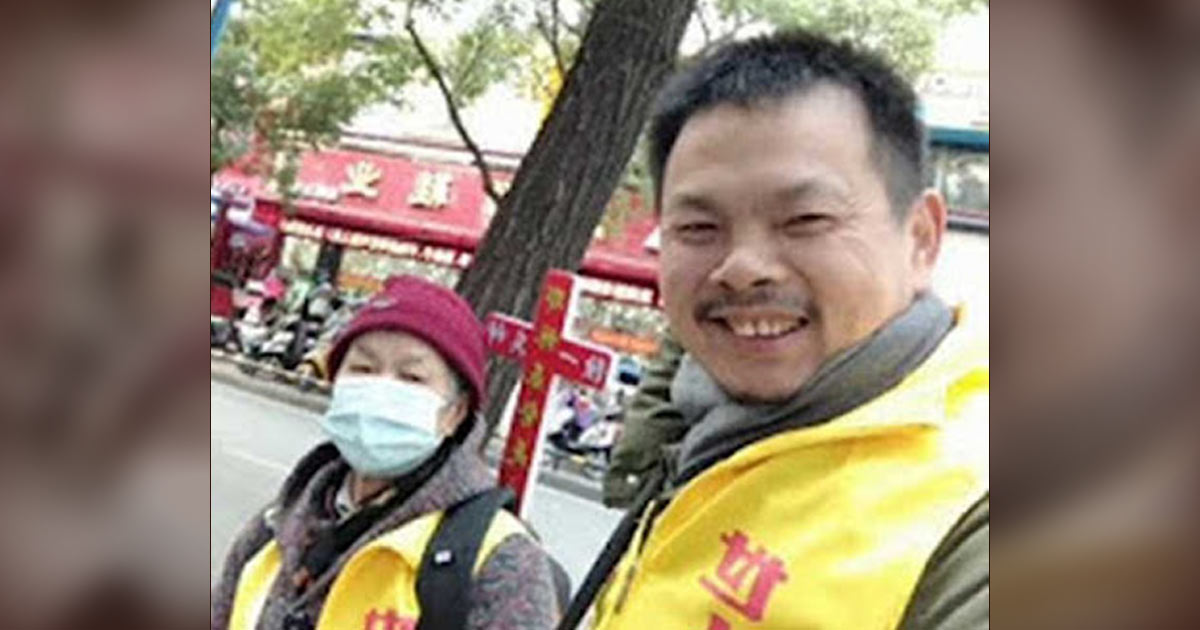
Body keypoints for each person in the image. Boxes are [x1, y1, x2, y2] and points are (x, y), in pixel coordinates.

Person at [563, 30, 988, 630]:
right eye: (698, 228)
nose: (742, 268)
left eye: (805, 219)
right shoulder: (709, 433)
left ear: (920, 238)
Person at [212, 276, 562, 630]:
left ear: (455, 413)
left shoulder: (499, 564)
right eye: (363, 369)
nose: (381, 388)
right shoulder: (278, 526)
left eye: (411, 377)